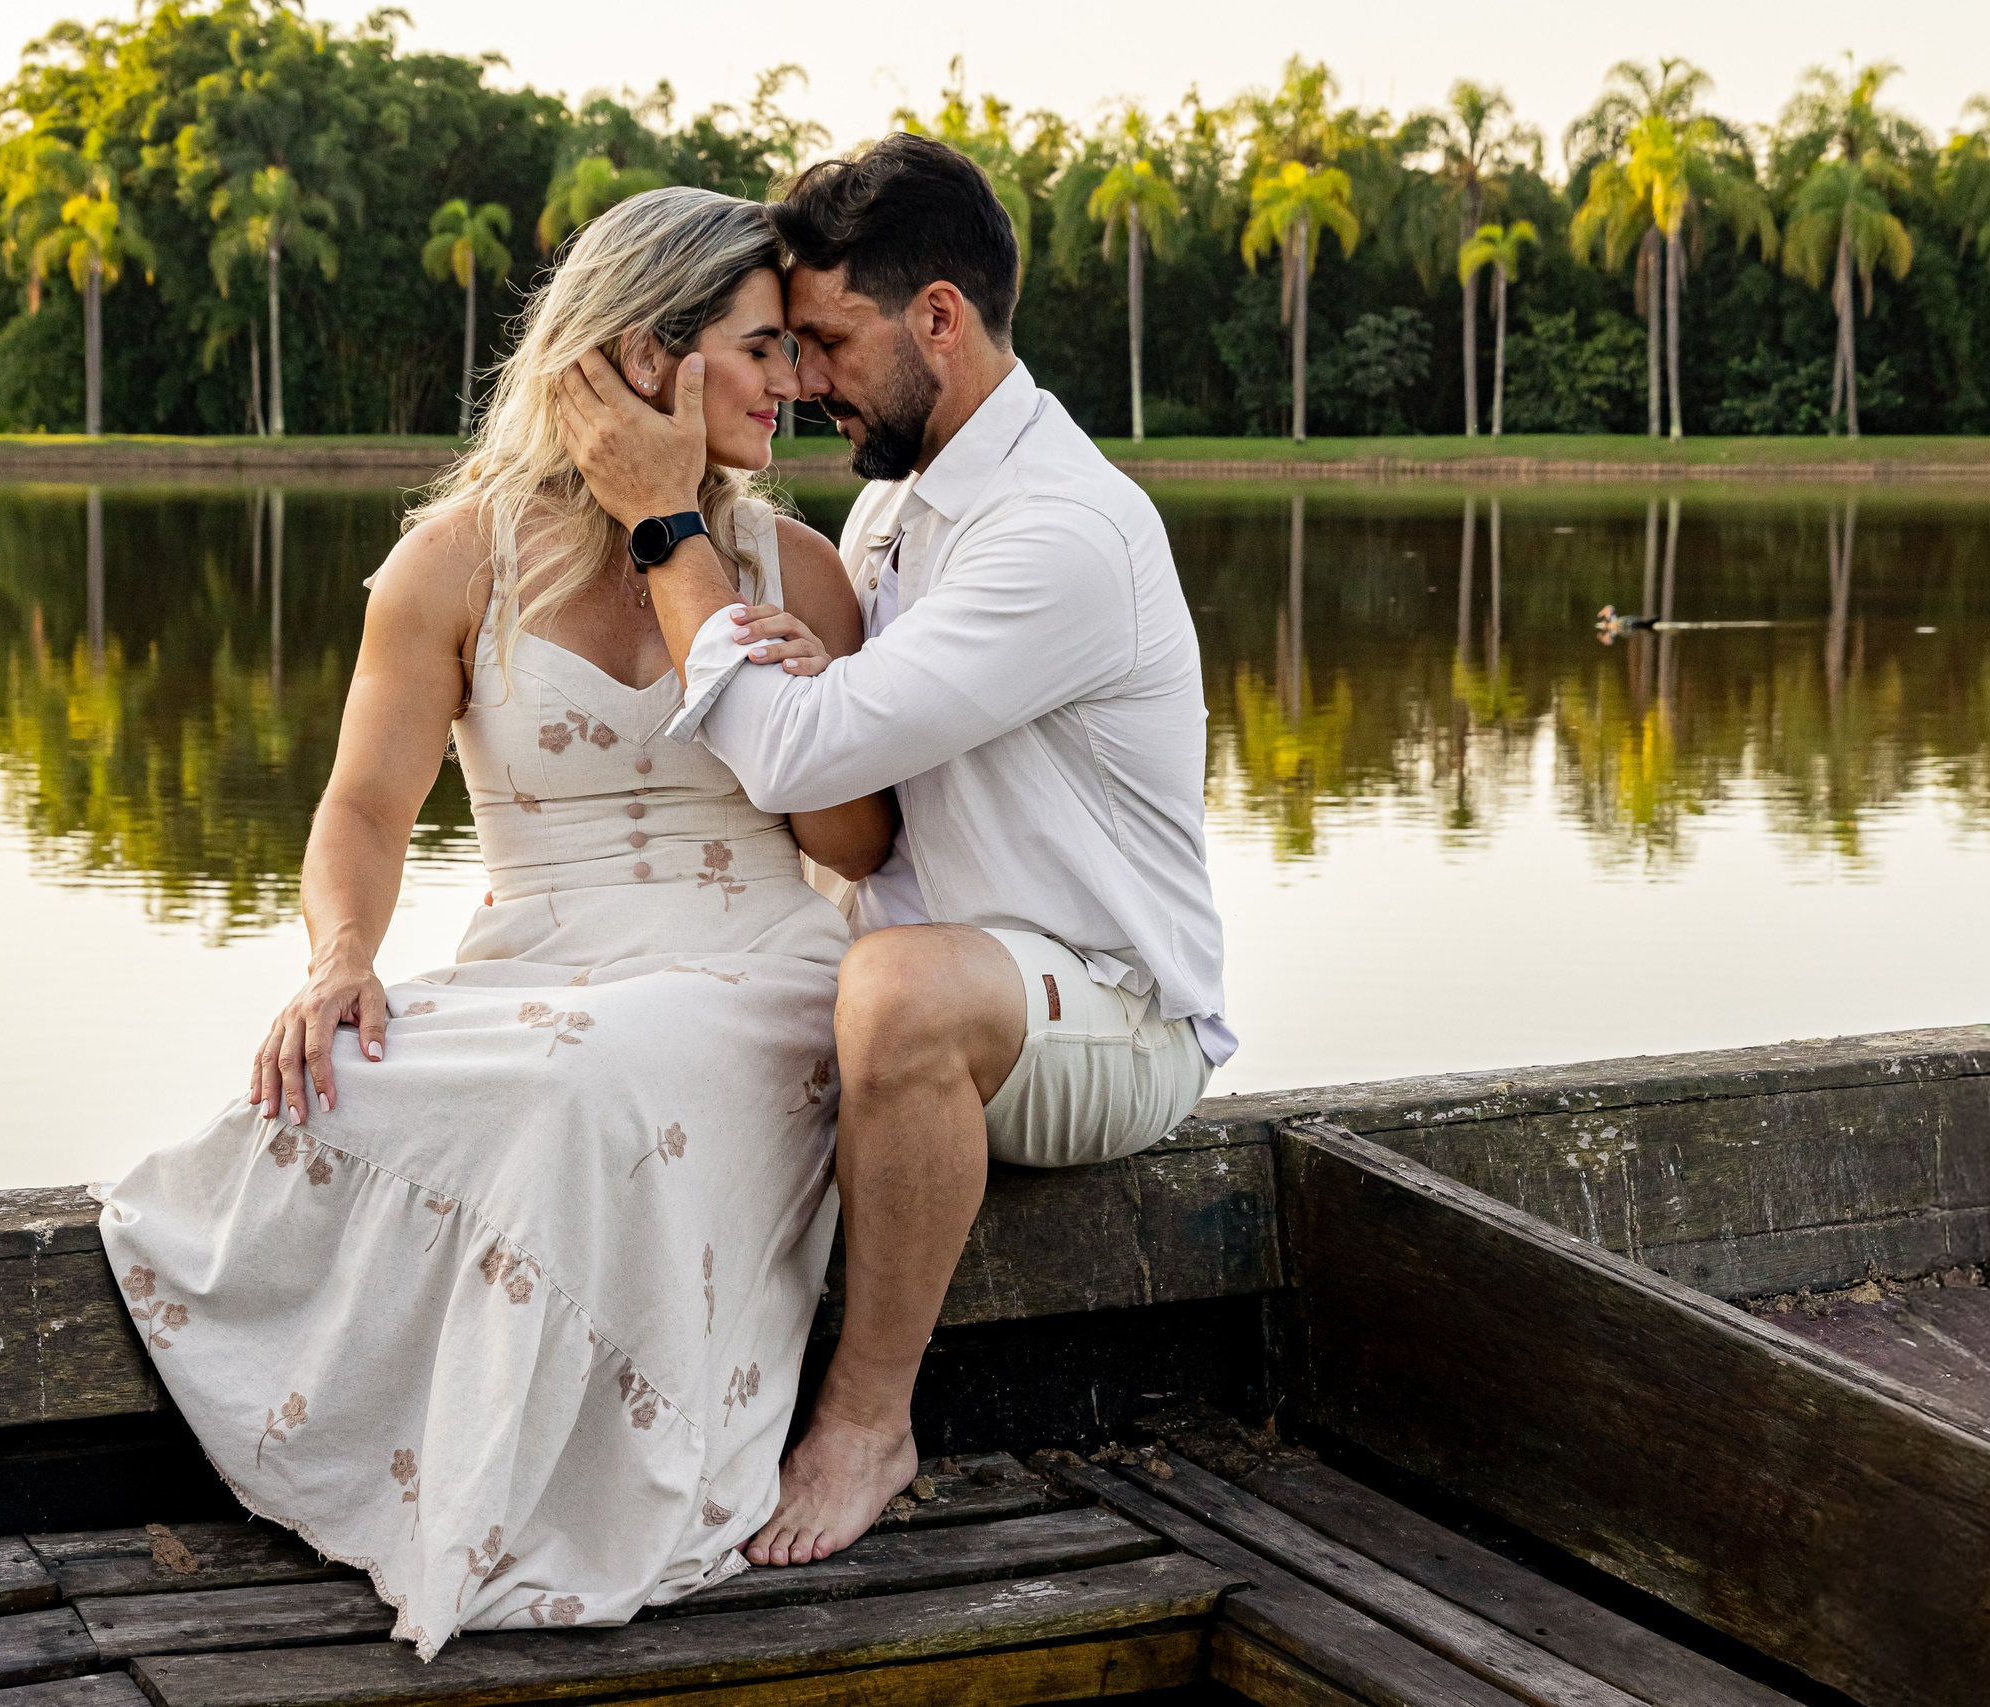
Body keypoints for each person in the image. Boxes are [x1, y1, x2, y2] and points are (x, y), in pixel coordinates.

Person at [95, 187, 894, 1661]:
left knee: (590, 1083)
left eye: (795, 350)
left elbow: (857, 849)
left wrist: (794, 695)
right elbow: (363, 809)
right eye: (762, 347)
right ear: (647, 356)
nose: (793, 383)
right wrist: (340, 960)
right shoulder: (456, 560)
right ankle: (423, 1470)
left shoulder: (799, 569)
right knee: (331, 1084)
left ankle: (578, 1498)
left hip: (752, 962)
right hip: (540, 962)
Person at [557, 132, 1236, 1570]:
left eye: (825, 341)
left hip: (1106, 1013)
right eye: (784, 347)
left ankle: (869, 1421)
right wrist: (809, 670)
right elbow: (836, 765)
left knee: (899, 991)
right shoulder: (894, 510)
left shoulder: (1058, 533)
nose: (802, 380)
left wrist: (664, 524)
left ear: (937, 318)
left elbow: (797, 756)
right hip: (914, 978)